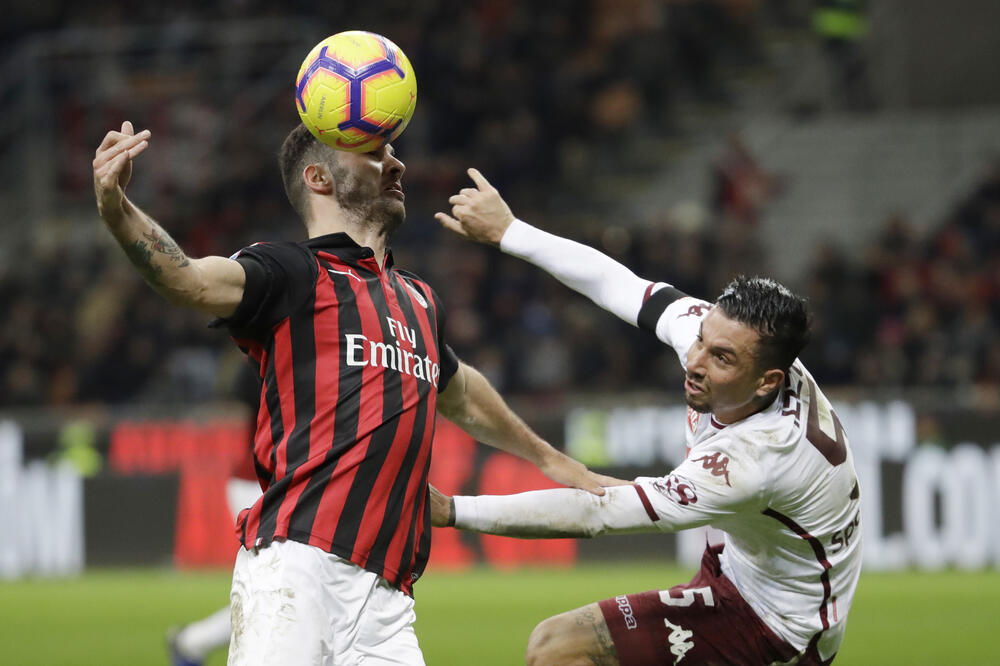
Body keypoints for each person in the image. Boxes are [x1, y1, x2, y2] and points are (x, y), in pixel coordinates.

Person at [93, 122, 622, 665]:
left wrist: (551, 460)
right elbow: (190, 280)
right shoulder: (292, 272)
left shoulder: (418, 299)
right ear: (318, 177)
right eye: (374, 154)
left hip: (389, 601)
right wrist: (117, 208)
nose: (397, 165)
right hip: (297, 573)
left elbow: (460, 392)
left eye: (392, 152)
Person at [430, 169, 863, 665]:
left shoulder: (754, 460)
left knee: (558, 650)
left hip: (776, 631)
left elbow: (597, 512)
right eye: (700, 338)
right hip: (735, 574)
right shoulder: (732, 341)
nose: (695, 362)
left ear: (767, 381)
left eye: (721, 358)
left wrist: (452, 512)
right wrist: (511, 231)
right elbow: (620, 285)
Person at [168, 362, 263, 666]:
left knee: (279, 591)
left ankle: (191, 642)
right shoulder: (276, 355)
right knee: (272, 592)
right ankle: (192, 642)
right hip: (258, 483)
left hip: (269, 482)